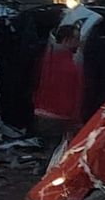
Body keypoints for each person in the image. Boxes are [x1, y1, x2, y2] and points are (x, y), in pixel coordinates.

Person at [32, 24, 85, 156]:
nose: (78, 43)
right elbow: (74, 92)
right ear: (67, 40)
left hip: (42, 112)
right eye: (76, 39)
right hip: (60, 116)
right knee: (57, 152)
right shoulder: (71, 63)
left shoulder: (46, 57)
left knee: (49, 150)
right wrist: (75, 119)